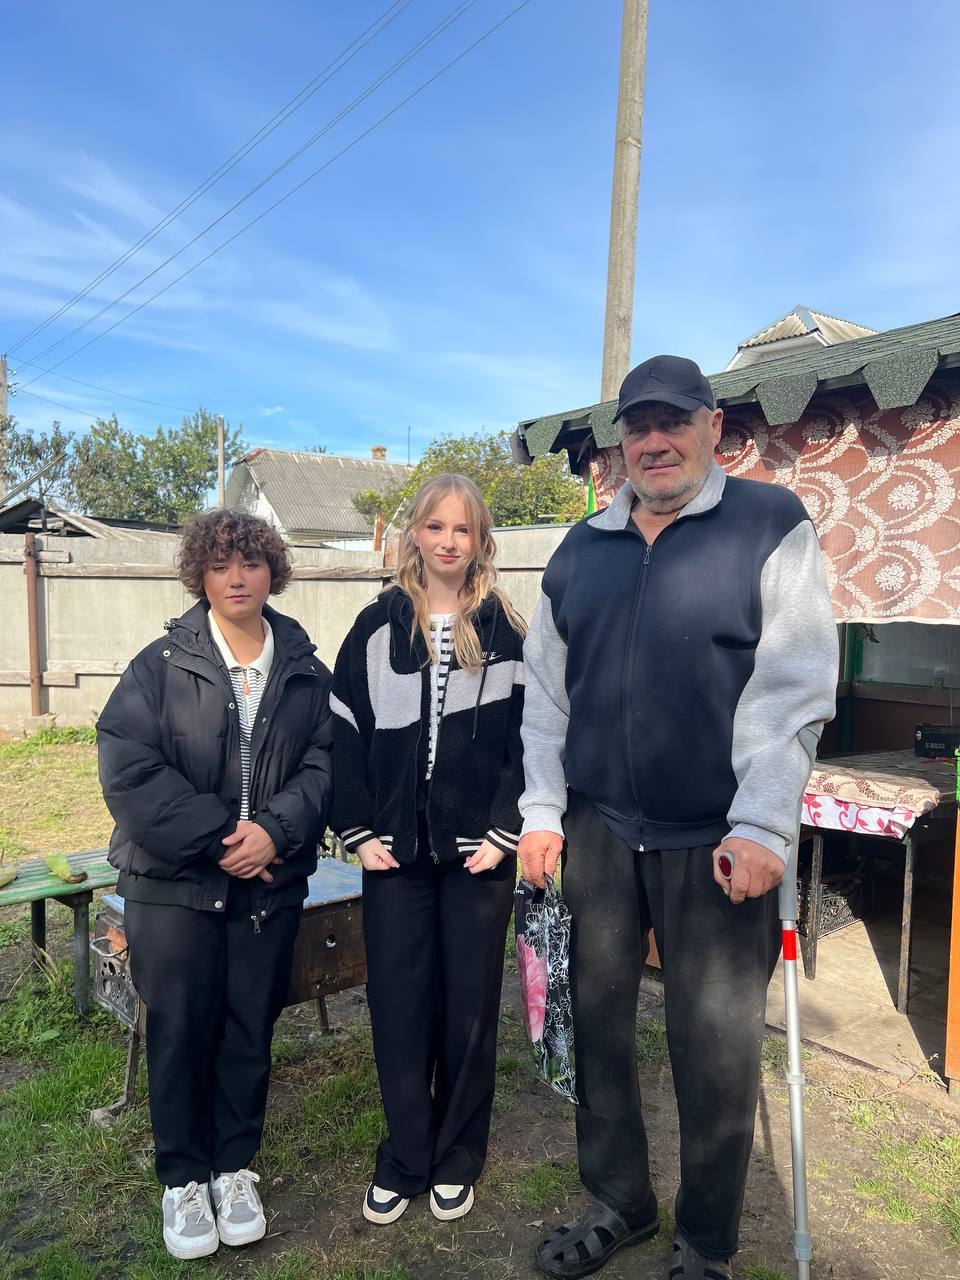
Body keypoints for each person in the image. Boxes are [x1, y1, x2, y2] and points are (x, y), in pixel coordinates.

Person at [518, 355, 838, 1280]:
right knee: (596, 1026)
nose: (654, 442)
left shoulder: (770, 524)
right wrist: (542, 811)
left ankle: (706, 1241)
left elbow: (793, 686)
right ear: (620, 443)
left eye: (673, 422)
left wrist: (764, 824)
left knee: (715, 1046)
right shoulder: (580, 551)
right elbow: (546, 698)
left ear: (712, 426)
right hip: (599, 830)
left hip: (717, 837)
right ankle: (620, 1201)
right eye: (637, 427)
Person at [97, 510, 333, 1261]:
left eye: (251, 563)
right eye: (221, 564)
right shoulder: (159, 665)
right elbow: (128, 766)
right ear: (199, 574)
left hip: (269, 885)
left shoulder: (304, 668)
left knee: (247, 1029)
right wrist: (225, 838)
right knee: (178, 1030)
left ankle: (233, 1168)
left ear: (273, 573)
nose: (237, 578)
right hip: (173, 885)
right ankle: (182, 1178)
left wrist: (277, 831)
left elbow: (325, 762)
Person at [330, 474, 526, 1227]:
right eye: (435, 526)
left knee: (469, 1011)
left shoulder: (505, 631)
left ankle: (456, 1158)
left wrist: (505, 830)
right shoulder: (377, 626)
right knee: (399, 1007)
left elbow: (530, 741)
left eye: (463, 529)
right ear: (413, 533)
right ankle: (406, 1156)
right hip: (395, 857)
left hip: (478, 857)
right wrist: (358, 830)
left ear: (480, 542)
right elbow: (343, 734)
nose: (448, 541)